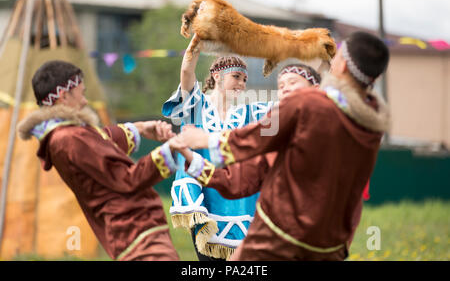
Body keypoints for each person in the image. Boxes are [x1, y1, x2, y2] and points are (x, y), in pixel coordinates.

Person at [178, 31, 390, 260]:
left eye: (292, 83)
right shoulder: (370, 129)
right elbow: (248, 174)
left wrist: (204, 141)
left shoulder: (304, 106)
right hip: (329, 247)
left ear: (342, 68)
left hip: (278, 241)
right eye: (282, 85)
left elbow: (252, 149)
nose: (286, 89)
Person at [17, 60, 184, 261]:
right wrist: (171, 149)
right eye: (82, 94)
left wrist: (140, 128)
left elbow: (99, 140)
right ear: (63, 96)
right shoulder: (70, 139)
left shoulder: (66, 136)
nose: (85, 102)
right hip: (137, 237)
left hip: (135, 235)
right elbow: (126, 179)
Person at [162, 36, 273, 260]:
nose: (241, 84)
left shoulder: (249, 113)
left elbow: (288, 109)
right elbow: (186, 73)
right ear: (217, 76)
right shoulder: (195, 105)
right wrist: (196, 44)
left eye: (244, 79)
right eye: (236, 77)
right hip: (202, 196)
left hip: (238, 202)